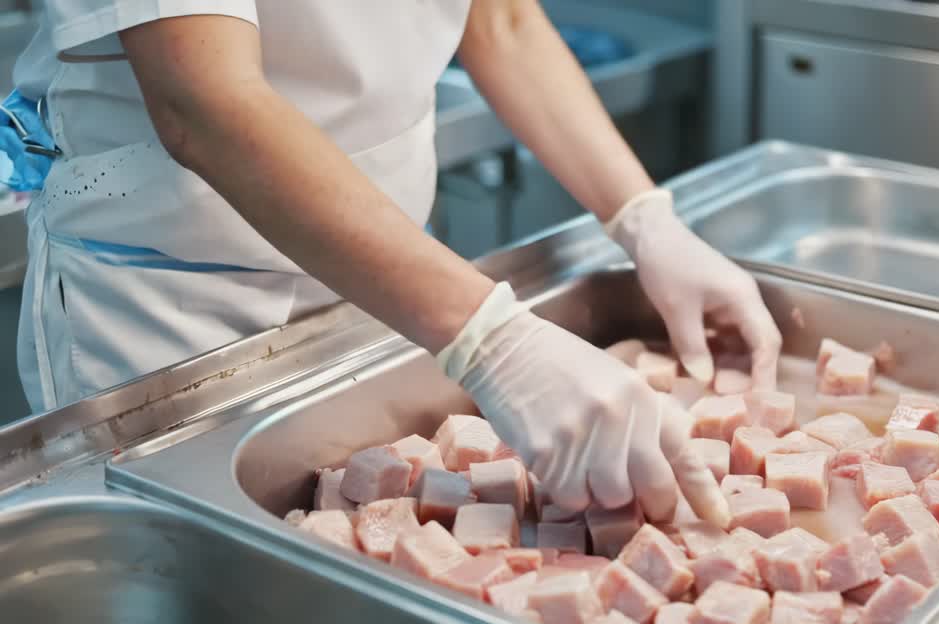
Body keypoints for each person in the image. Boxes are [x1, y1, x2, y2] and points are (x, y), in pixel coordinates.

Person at [7, 1, 782, 527]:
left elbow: (501, 21)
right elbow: (202, 103)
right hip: (170, 306)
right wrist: (493, 340)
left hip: (384, 284)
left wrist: (643, 219)